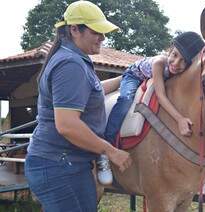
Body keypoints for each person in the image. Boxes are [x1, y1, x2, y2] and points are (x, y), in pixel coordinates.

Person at [24, 1, 132, 211]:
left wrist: (124, 79)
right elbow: (67, 125)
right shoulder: (70, 64)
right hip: (59, 166)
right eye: (97, 31)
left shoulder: (72, 59)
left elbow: (92, 91)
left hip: (68, 164)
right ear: (74, 29)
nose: (103, 37)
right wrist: (111, 151)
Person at [98, 31, 205, 182]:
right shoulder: (160, 63)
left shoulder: (179, 71)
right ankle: (106, 147)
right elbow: (161, 95)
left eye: (183, 61)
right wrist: (180, 119)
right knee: (125, 100)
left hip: (152, 77)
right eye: (174, 55)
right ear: (169, 50)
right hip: (134, 75)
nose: (176, 63)